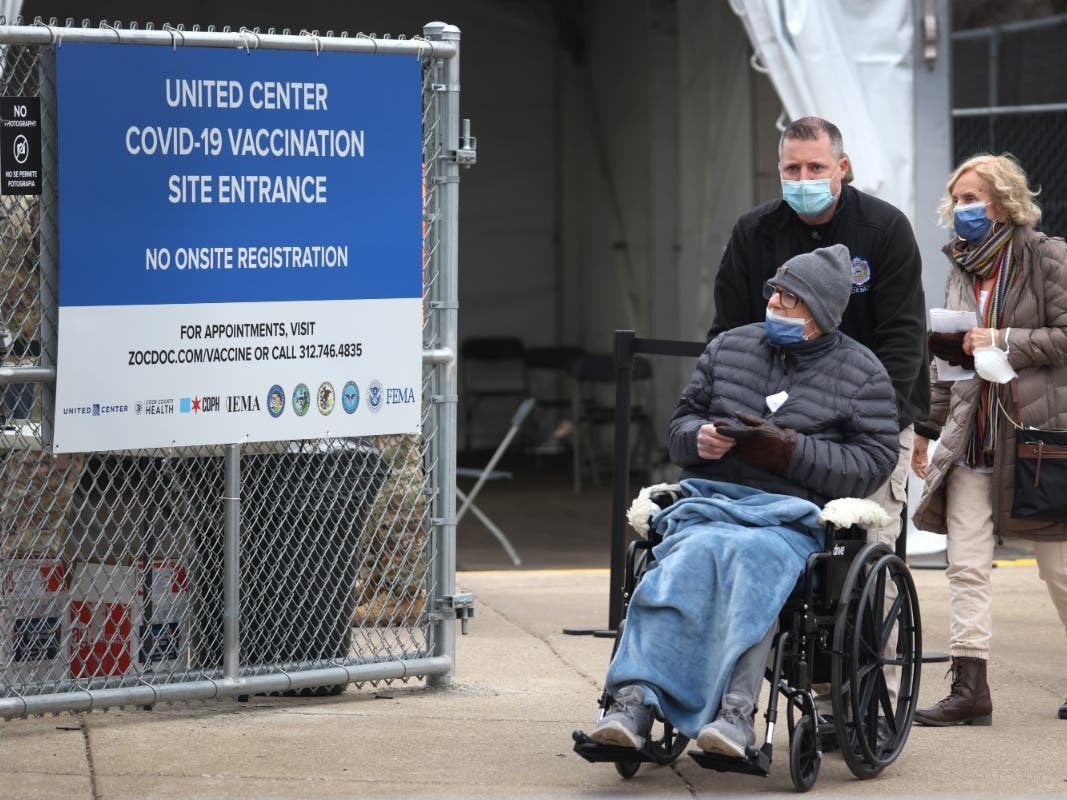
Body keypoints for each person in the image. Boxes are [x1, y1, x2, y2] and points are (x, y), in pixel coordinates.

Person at [589, 244, 899, 757]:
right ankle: (631, 702)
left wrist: (789, 451)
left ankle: (735, 714)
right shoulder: (731, 346)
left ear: (819, 313)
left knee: (753, 566)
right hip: (711, 502)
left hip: (787, 518)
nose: (775, 302)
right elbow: (681, 423)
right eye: (774, 291)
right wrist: (698, 440)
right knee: (678, 563)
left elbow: (872, 463)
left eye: (790, 298)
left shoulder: (862, 372)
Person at [709, 116, 928, 556]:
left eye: (816, 168)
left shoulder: (885, 230)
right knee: (773, 546)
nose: (803, 178)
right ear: (779, 171)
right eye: (792, 170)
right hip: (779, 425)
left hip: (871, 424)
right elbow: (729, 334)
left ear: (842, 167)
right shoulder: (753, 232)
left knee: (865, 548)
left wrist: (874, 420)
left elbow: (903, 338)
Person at [911, 153, 1067, 726]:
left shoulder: (1047, 256)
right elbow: (948, 361)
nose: (962, 210)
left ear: (1004, 201)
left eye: (972, 198)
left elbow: (1066, 336)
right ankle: (970, 690)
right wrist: (928, 429)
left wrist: (1000, 337)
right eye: (957, 199)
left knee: (1058, 568)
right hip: (971, 439)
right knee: (967, 565)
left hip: (1033, 441)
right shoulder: (958, 268)